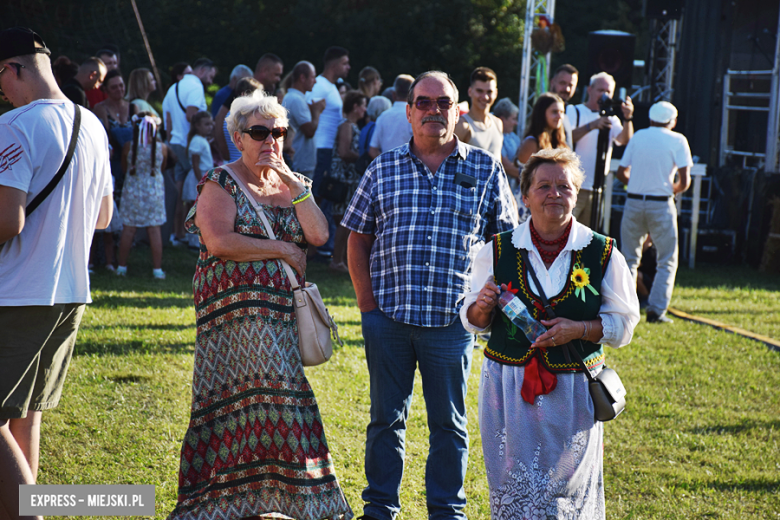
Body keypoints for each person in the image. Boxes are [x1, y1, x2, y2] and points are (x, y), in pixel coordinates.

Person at [167, 90, 352, 520]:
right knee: (242, 403)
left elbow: (321, 235)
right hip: (232, 320)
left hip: (281, 317)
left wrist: (290, 181)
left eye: (279, 132)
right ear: (238, 136)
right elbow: (219, 241)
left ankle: (294, 502)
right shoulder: (221, 180)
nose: (270, 140)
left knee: (281, 397)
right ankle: (227, 502)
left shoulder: (294, 183)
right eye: (259, 132)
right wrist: (283, 251)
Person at [342, 71, 518, 520]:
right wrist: (368, 305)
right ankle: (379, 509)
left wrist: (485, 304)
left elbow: (508, 243)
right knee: (385, 422)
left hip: (453, 323)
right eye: (423, 102)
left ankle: (447, 511)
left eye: (443, 103)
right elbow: (357, 236)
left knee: (449, 427)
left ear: (459, 111)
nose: (433, 110)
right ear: (408, 110)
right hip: (390, 318)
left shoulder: (484, 168)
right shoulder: (384, 167)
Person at [461, 148, 639, 519]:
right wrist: (482, 305)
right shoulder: (495, 250)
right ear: (525, 195)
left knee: (569, 487)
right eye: (544, 186)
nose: (554, 194)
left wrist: (580, 329)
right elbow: (472, 319)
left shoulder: (602, 252)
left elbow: (624, 324)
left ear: (577, 193)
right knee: (513, 482)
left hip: (573, 388)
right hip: (508, 388)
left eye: (564, 186)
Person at [0, 27, 112, 516]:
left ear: (15, 69)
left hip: (18, 291)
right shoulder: (93, 123)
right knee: (26, 416)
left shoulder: (15, 125)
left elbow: (8, 220)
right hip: (71, 290)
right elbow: (105, 217)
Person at [617, 101, 692, 324]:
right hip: (661, 204)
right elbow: (685, 181)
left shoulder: (639, 136)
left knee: (629, 259)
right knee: (667, 259)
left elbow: (622, 172)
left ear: (650, 119)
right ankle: (656, 310)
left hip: (634, 202)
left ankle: (626, 310)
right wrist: (671, 190)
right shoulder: (678, 140)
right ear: (673, 122)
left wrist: (637, 186)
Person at [566, 72, 634, 226]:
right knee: (566, 232)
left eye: (608, 91)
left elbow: (624, 140)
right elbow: (566, 138)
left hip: (596, 188)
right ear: (590, 89)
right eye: (600, 90)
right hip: (573, 186)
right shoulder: (574, 111)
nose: (604, 95)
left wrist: (628, 118)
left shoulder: (611, 118)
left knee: (589, 237)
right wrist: (592, 126)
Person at [162, 58, 216, 246]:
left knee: (177, 192)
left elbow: (167, 121)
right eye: (210, 75)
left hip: (174, 143)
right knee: (189, 195)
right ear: (201, 71)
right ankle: (186, 234)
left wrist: (169, 145)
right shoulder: (195, 86)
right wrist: (201, 134)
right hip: (188, 144)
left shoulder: (173, 88)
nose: (210, 80)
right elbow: (191, 115)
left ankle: (173, 233)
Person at [307, 46, 351, 257]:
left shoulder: (332, 87)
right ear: (334, 65)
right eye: (344, 63)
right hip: (319, 147)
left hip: (327, 149)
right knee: (315, 196)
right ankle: (312, 248)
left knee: (323, 195)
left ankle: (317, 245)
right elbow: (310, 108)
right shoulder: (321, 85)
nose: (348, 67)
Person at [117, 113, 169, 278]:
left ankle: (121, 267)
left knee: (128, 229)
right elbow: (163, 168)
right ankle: (157, 270)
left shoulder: (128, 146)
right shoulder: (162, 148)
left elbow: (125, 168)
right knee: (154, 230)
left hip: (132, 191)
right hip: (154, 192)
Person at [328, 90, 367, 273]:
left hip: (350, 178)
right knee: (344, 220)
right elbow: (344, 152)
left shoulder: (352, 125)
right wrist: (362, 159)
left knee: (345, 220)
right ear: (355, 106)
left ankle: (342, 259)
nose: (365, 110)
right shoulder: (347, 126)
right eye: (363, 105)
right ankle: (336, 261)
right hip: (345, 179)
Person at [282, 61, 326, 179]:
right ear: (302, 77)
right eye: (312, 77)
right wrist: (317, 111)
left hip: (299, 162)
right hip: (300, 163)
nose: (315, 81)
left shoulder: (293, 97)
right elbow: (309, 131)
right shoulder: (296, 99)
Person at [454, 67, 505, 164]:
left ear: (496, 93)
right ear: (470, 92)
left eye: (489, 92)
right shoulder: (462, 125)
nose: (485, 97)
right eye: (480, 91)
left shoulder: (498, 123)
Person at [215, 76, 263, 162]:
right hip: (245, 168)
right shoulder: (246, 116)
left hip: (233, 165)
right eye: (257, 95)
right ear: (244, 94)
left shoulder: (229, 115)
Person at [367, 74, 414, 159]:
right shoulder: (414, 117)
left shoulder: (383, 117)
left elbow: (372, 150)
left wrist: (388, 163)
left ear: (393, 94)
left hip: (388, 170)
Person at [516, 92, 567, 164]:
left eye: (562, 112)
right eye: (554, 112)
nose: (559, 116)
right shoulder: (531, 142)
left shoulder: (559, 141)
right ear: (542, 113)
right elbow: (523, 173)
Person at [549, 63, 579, 148]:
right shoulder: (543, 108)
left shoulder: (569, 111)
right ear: (552, 82)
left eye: (571, 85)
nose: (567, 89)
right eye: (562, 83)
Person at [493, 97, 521, 181]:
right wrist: (531, 177)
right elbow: (506, 166)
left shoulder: (513, 136)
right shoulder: (494, 136)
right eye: (513, 119)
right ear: (502, 119)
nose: (516, 123)